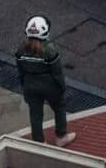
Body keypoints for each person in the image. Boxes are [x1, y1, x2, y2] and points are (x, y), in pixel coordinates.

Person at [16, 17, 73, 146]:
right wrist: (61, 88)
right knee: (59, 108)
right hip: (49, 85)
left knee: (35, 114)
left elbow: (20, 72)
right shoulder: (50, 50)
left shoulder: (21, 50)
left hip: (30, 84)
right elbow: (57, 73)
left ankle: (39, 141)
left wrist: (24, 87)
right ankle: (61, 136)